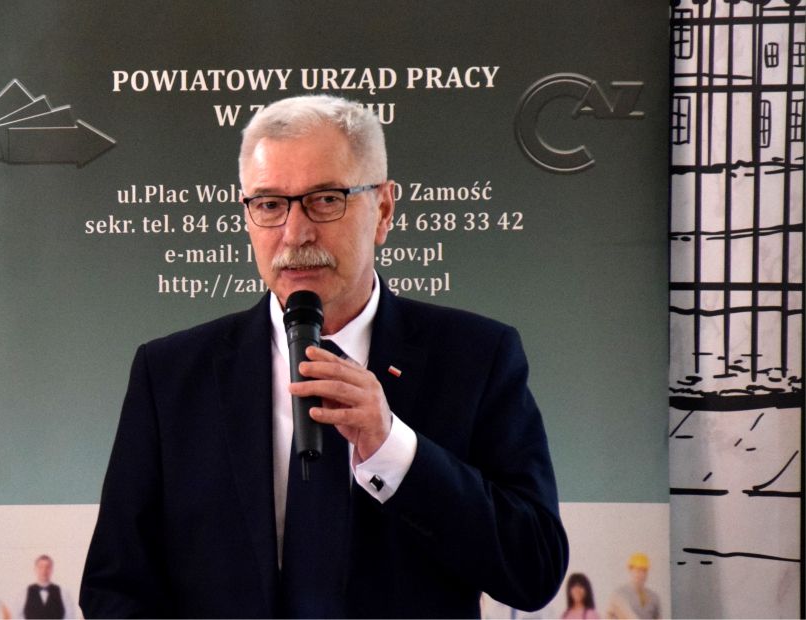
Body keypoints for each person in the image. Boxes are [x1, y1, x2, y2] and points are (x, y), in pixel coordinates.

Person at [80, 94, 568, 618]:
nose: (295, 233)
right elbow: (116, 587)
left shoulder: (476, 356)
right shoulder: (170, 376)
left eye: (326, 199)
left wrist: (393, 448)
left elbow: (534, 568)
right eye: (270, 204)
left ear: (383, 210)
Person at [606, 553, 661, 619]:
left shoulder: (653, 597)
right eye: (638, 570)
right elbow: (609, 616)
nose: (641, 574)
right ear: (630, 570)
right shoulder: (619, 594)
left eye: (644, 571)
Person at [23, 554, 74, 619]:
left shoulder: (63, 593)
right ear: (35, 569)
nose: (44, 570)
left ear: (52, 569)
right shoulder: (24, 593)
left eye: (48, 567)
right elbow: (18, 617)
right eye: (41, 567)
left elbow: (70, 616)